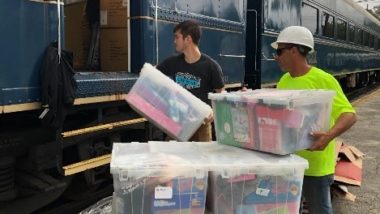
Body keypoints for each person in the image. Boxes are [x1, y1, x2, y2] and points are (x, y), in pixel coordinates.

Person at [271, 26, 357, 214]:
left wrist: (327, 137)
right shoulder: (284, 80)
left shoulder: (323, 80)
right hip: (290, 161)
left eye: (279, 51)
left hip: (315, 166)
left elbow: (349, 115)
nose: (276, 57)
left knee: (320, 210)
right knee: (291, 209)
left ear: (294, 51)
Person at [157, 20, 225, 141]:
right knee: (172, 158)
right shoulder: (172, 63)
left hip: (201, 125)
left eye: (177, 37)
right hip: (178, 124)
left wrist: (214, 113)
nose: (174, 41)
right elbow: (154, 75)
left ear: (188, 39)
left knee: (201, 159)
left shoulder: (210, 66)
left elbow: (221, 94)